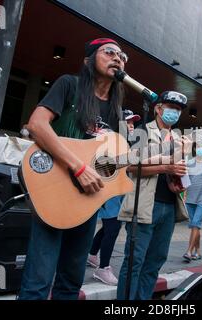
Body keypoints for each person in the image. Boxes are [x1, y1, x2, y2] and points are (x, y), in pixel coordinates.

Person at [18, 38, 128, 300]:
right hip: (52, 189)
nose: (118, 58)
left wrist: (156, 162)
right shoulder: (69, 84)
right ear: (88, 60)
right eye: (109, 52)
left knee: (71, 280)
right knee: (39, 279)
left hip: (87, 199)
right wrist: (78, 167)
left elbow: (105, 161)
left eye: (122, 56)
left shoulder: (116, 110)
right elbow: (37, 125)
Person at [116, 91, 191, 300]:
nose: (174, 113)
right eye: (170, 108)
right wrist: (166, 167)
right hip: (144, 205)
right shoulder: (142, 132)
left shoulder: (178, 138)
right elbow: (130, 166)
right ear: (158, 109)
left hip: (168, 208)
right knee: (134, 262)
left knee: (155, 262)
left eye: (178, 110)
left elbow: (178, 171)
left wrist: (178, 182)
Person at [87, 109, 141, 286]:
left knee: (109, 226)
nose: (132, 126)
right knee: (113, 227)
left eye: (133, 123)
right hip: (108, 189)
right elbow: (102, 165)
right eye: (128, 122)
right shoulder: (109, 139)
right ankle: (103, 269)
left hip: (118, 190)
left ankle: (92, 254)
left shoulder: (128, 142)